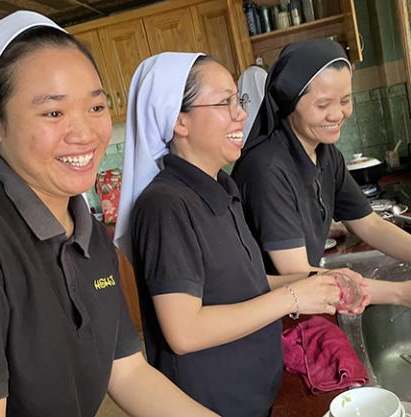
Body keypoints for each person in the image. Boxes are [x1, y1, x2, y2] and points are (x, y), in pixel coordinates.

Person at [0, 11, 221, 417]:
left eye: (96, 106)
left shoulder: (89, 234)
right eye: (54, 112)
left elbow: (128, 372)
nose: (84, 133)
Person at [114, 52, 367, 417]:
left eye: (239, 100)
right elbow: (184, 332)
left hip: (257, 389)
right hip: (214, 403)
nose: (241, 114)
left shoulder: (221, 186)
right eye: (224, 102)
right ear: (178, 121)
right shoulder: (165, 205)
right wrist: (294, 297)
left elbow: (244, 283)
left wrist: (320, 279)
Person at [232, 38, 411, 306]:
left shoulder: (326, 154)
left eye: (345, 100)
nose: (337, 114)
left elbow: (370, 225)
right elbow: (296, 274)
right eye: (323, 104)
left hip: (305, 307)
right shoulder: (266, 169)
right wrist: (400, 294)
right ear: (289, 101)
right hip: (271, 322)